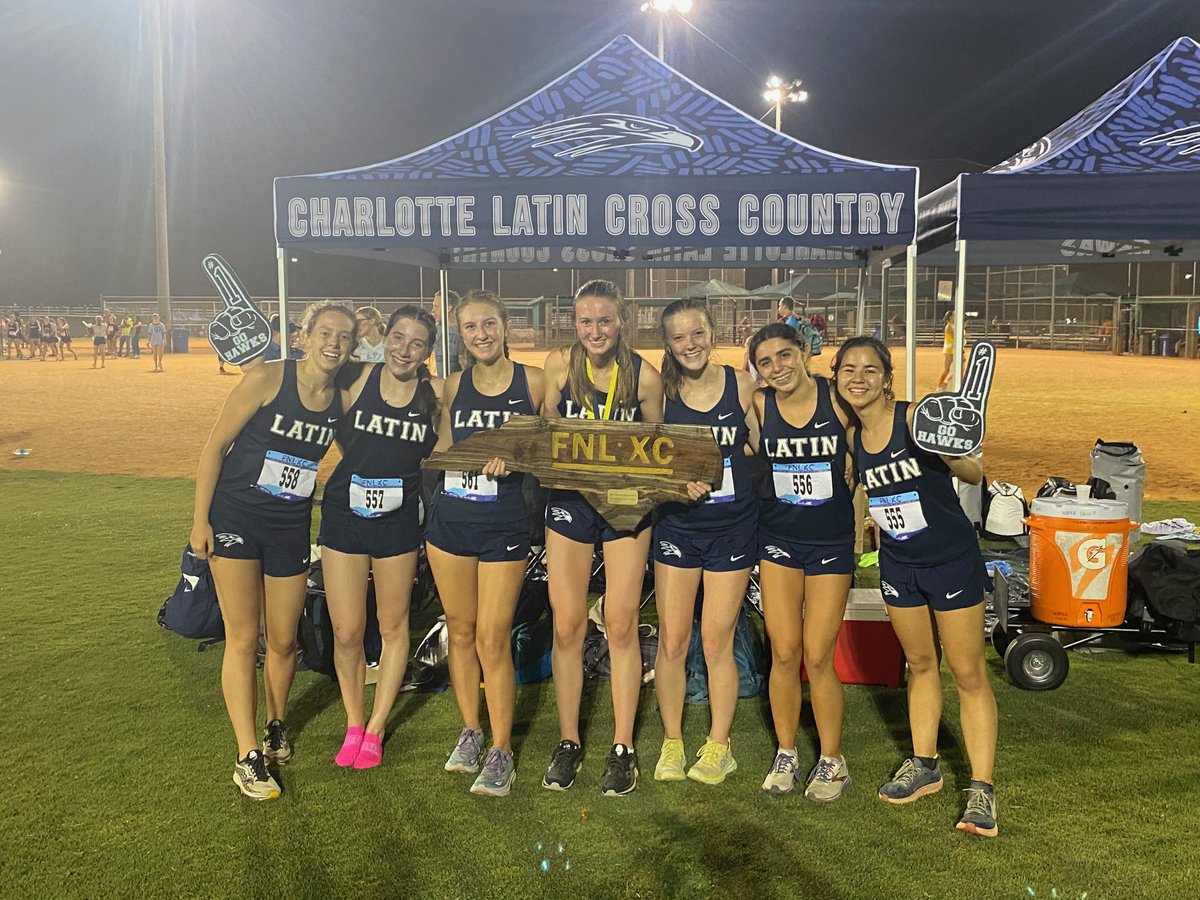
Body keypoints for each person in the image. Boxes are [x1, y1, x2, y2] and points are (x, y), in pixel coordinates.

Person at [190, 301, 356, 800]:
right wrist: (201, 521)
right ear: (304, 336)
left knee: (284, 640)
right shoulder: (266, 379)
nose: (333, 343)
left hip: (289, 526)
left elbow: (359, 451)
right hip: (236, 517)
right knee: (243, 638)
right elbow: (214, 446)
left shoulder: (342, 400)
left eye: (344, 337)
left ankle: (275, 724)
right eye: (324, 332)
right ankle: (246, 756)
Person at [833, 335, 998, 838]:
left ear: (887, 378)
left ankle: (982, 789)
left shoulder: (913, 419)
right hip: (898, 565)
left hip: (949, 561)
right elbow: (865, 491)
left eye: (868, 370)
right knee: (921, 665)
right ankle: (924, 765)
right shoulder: (855, 438)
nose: (857, 378)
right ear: (837, 380)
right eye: (847, 371)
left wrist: (948, 450)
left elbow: (974, 472)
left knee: (968, 673)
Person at [541, 279, 664, 796]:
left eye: (605, 321)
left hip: (624, 506)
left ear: (623, 322)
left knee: (620, 622)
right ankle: (569, 741)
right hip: (570, 502)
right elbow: (546, 425)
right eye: (586, 321)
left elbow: (661, 450)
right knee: (568, 625)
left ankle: (622, 746)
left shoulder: (645, 376)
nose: (595, 330)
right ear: (575, 324)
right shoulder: (557, 366)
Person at [425, 289, 544, 796]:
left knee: (495, 637)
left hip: (504, 523)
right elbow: (441, 447)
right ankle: (470, 730)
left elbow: (551, 446)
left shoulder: (534, 382)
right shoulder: (451, 386)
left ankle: (501, 750)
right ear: (461, 333)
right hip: (451, 519)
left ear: (505, 326)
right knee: (461, 629)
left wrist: (518, 457)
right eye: (470, 327)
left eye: (489, 324)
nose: (481, 334)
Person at [320, 306, 442, 770]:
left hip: (397, 524)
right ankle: (354, 721)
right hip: (343, 516)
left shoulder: (434, 398)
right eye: (397, 338)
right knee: (348, 630)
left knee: (393, 626)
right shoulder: (356, 380)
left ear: (427, 351)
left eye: (416, 343)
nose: (403, 350)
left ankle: (377, 727)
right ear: (384, 336)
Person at [651, 299, 758, 786]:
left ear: (712, 334)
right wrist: (674, 483)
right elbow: (646, 457)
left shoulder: (741, 384)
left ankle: (720, 745)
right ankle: (672, 741)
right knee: (673, 640)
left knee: (717, 640)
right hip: (677, 528)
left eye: (697, 334)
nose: (689, 344)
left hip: (732, 528)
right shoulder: (660, 391)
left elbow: (758, 446)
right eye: (678, 337)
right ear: (668, 343)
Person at [750, 322, 856, 801]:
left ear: (805, 353)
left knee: (818, 654)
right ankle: (788, 752)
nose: (777, 368)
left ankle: (832, 760)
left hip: (830, 542)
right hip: (777, 539)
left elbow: (868, 454)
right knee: (785, 651)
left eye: (785, 356)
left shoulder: (837, 400)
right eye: (766, 362)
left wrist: (860, 519)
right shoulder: (758, 404)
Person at [431, 290, 463, 377]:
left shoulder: (463, 331)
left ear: (448, 308)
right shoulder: (432, 330)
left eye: (436, 306)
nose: (433, 310)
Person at [936, 310, 968, 390]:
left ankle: (954, 385)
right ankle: (940, 386)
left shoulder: (956, 325)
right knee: (947, 369)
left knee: (961, 369)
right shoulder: (949, 327)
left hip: (956, 349)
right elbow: (955, 339)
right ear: (950, 317)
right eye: (954, 315)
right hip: (950, 350)